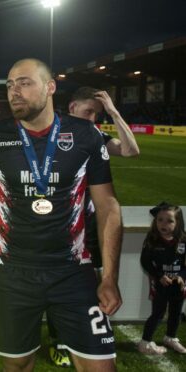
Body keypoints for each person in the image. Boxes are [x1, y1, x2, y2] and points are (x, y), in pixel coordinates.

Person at [0, 58, 123, 372]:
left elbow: (108, 207)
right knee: (16, 364)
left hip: (74, 272)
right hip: (11, 273)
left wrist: (109, 277)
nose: (15, 91)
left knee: (101, 367)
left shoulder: (86, 136)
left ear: (50, 87)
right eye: (10, 85)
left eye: (25, 83)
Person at [47, 86, 141, 367]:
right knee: (56, 284)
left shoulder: (96, 135)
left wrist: (113, 112)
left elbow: (130, 150)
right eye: (89, 112)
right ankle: (58, 341)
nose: (93, 118)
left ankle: (87, 335)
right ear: (73, 107)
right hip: (59, 225)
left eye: (97, 115)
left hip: (89, 225)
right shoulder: (52, 132)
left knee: (93, 281)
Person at [138, 202, 186, 355]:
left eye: (169, 220)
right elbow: (145, 261)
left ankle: (170, 337)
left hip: (178, 284)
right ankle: (145, 342)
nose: (163, 224)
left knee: (176, 313)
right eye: (160, 220)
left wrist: (182, 277)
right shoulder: (152, 239)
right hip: (160, 283)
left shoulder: (183, 239)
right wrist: (159, 276)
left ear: (178, 222)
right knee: (158, 313)